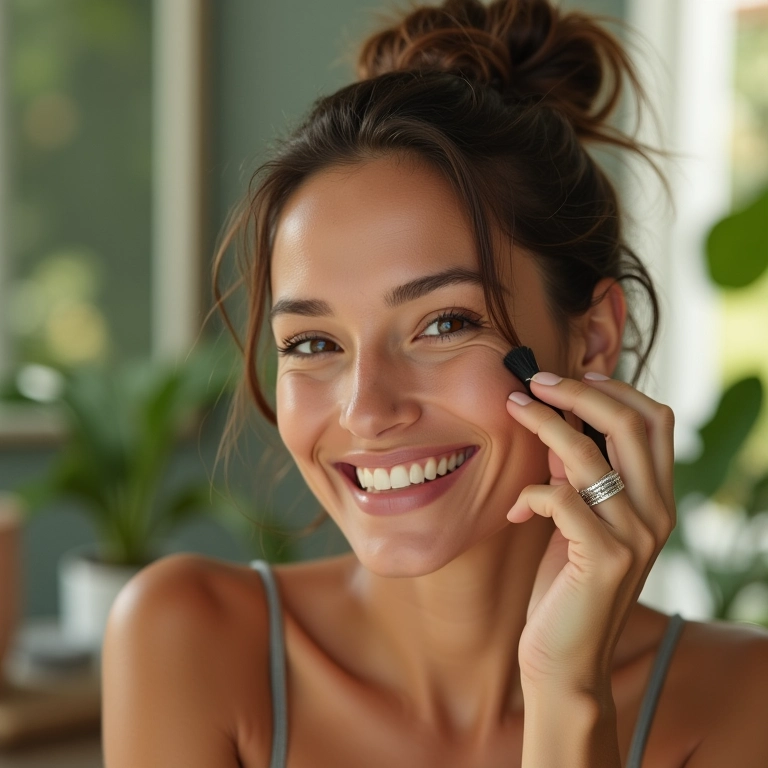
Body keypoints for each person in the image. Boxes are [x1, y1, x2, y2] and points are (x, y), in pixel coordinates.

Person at [102, 1, 768, 765]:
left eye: (444, 324)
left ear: (591, 341)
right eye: (314, 342)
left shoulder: (744, 700)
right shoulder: (189, 639)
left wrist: (567, 691)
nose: (367, 410)